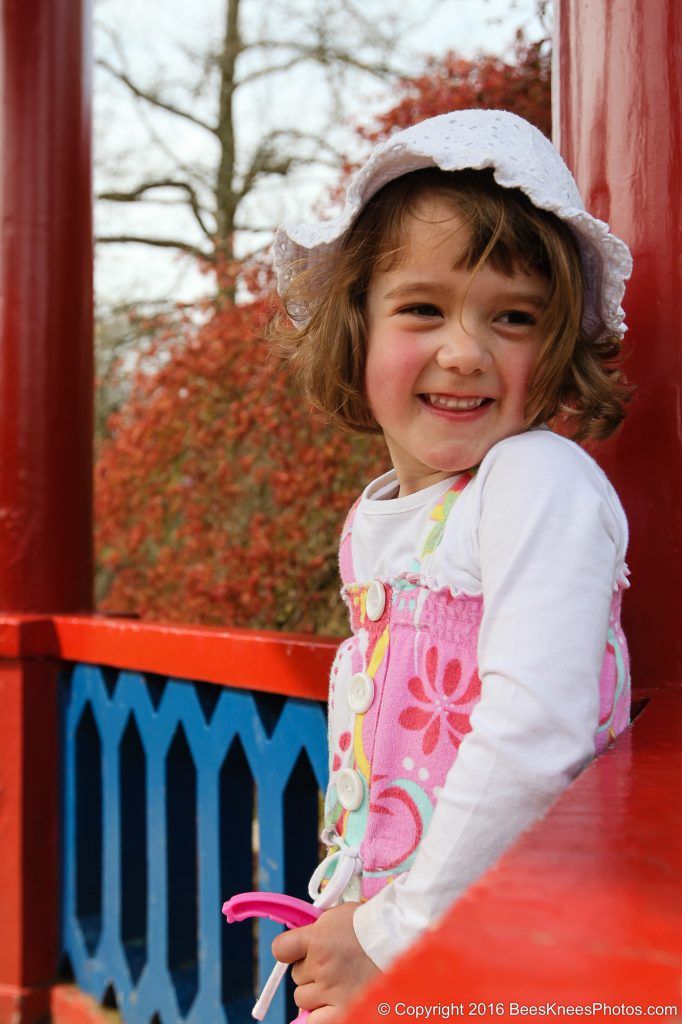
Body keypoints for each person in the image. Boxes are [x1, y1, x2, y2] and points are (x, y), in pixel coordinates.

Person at [266, 109, 633, 1021]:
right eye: (423, 308)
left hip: (503, 946)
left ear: (554, 351)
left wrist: (388, 935)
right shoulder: (380, 513)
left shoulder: (534, 479)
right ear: (358, 327)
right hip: (410, 930)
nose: (464, 351)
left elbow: (533, 733)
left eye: (513, 318)